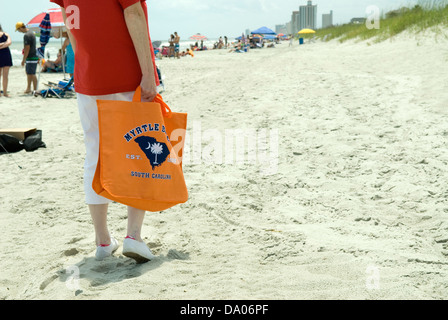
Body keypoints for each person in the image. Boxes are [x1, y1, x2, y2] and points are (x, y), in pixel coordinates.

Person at [50, 0, 160, 263]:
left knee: (94, 156)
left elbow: (69, 19)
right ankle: (133, 236)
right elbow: (132, 13)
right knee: (141, 153)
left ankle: (102, 241)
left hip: (88, 78)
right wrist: (148, 73)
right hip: (125, 74)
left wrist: (84, 65)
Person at [16, 22, 38, 94]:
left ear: (21, 28)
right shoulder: (31, 33)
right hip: (33, 56)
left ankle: (35, 89)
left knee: (32, 73)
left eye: (18, 30)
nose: (19, 31)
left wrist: (23, 59)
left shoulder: (26, 35)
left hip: (30, 57)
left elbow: (27, 48)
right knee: (29, 73)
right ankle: (29, 88)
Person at [0, 24, 13, 97]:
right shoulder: (6, 34)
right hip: (6, 54)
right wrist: (3, 44)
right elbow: (9, 43)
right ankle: (5, 93)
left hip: (4, 54)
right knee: (5, 75)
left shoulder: (6, 34)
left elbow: (9, 43)